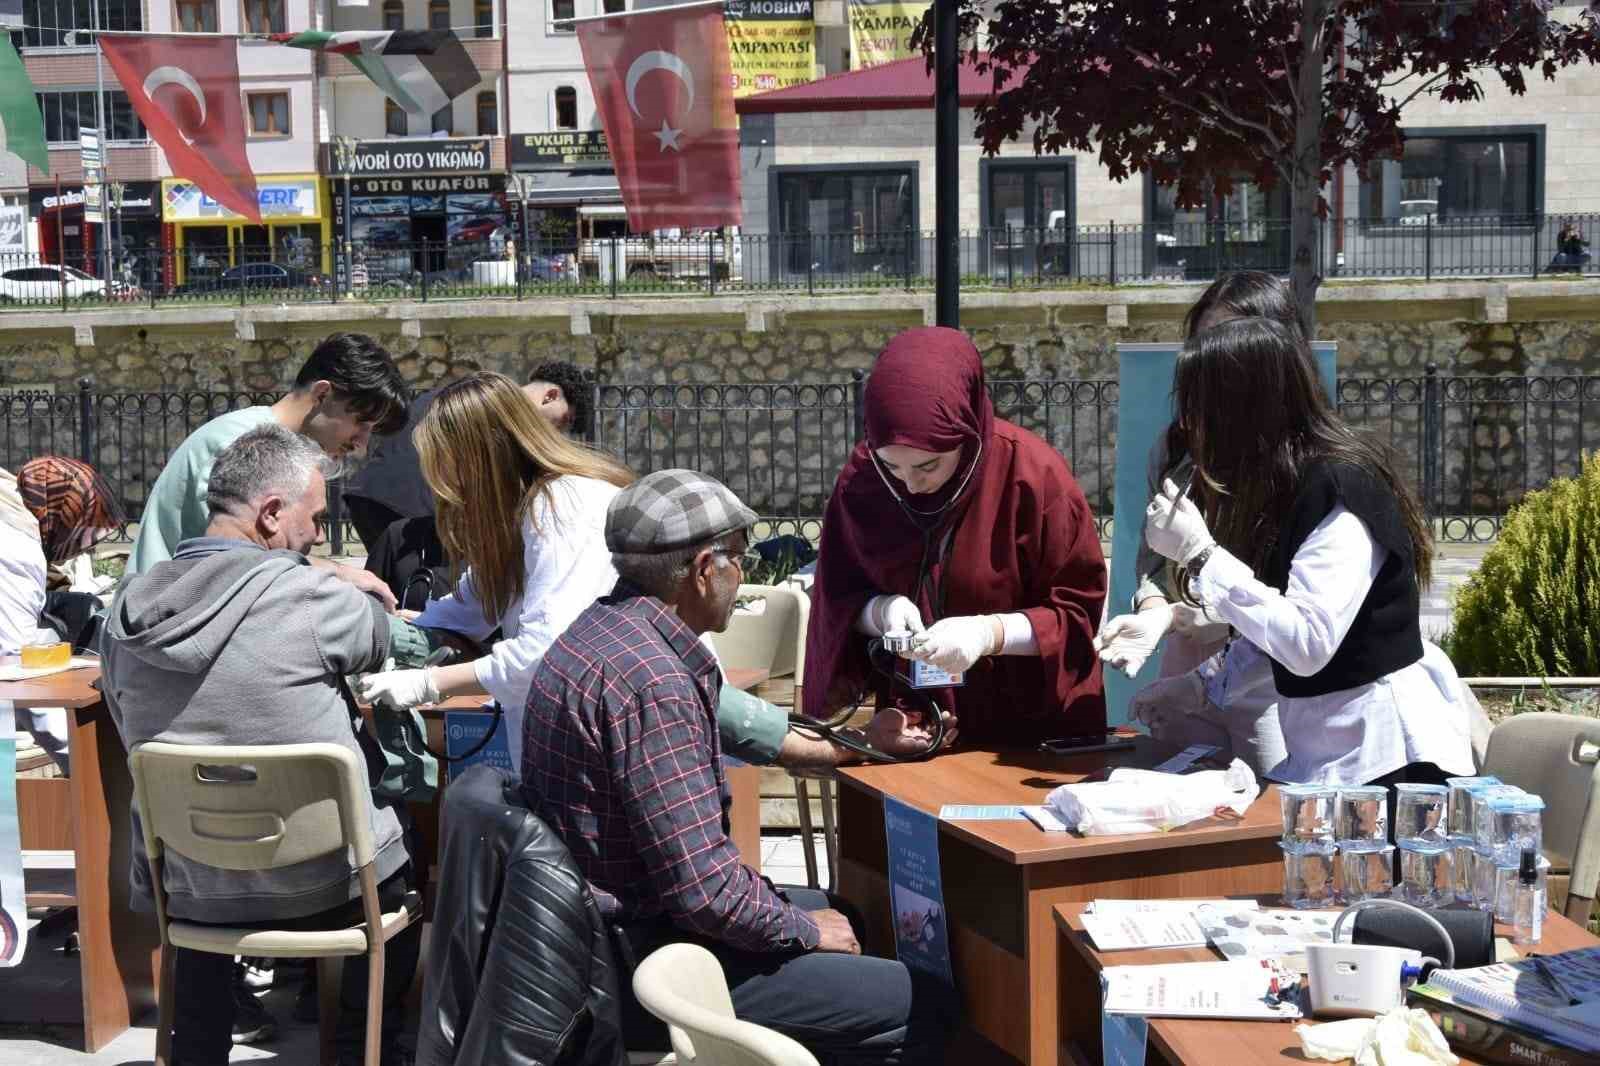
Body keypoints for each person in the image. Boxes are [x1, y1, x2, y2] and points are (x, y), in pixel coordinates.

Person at [522, 469, 955, 1062]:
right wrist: (805, 932)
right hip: (643, 960)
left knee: (849, 913)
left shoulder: (600, 634)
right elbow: (705, 894)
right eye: (738, 558)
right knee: (926, 1003)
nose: (742, 573)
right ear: (703, 570)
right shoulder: (655, 683)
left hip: (603, 930)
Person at [101, 425, 420, 1066]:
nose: (320, 537)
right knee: (413, 849)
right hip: (330, 888)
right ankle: (362, 1047)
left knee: (206, 876)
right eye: (317, 518)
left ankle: (196, 1052)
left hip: (191, 890)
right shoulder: (311, 597)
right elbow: (406, 646)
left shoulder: (125, 611)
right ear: (272, 514)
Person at [1143, 317, 1474, 787]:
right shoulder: (1282, 487)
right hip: (1323, 754)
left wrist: (1200, 554)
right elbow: (1269, 630)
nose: (1188, 424)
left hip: (1385, 758)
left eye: (1201, 406)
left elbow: (1308, 641)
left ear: (1243, 407)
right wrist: (1201, 687)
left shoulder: (1339, 485)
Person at [803, 326, 1107, 747]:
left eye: (927, 466)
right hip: (911, 729)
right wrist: (880, 612)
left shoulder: (1034, 478)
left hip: (1024, 738)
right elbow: (836, 598)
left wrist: (989, 634)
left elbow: (1075, 615)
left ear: (966, 433)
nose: (909, 484)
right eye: (893, 467)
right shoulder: (862, 483)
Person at [356, 371, 630, 768]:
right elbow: (465, 609)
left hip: (612, 749)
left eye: (442, 464)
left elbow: (548, 653)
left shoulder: (564, 507)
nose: (437, 483)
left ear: (480, 457)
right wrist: (384, 634)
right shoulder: (522, 514)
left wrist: (428, 683)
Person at [1095, 271, 1297, 775]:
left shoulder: (1304, 464)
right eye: (1205, 342)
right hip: (1187, 666)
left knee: (1260, 820)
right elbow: (1154, 559)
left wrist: (1217, 608)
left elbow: (1301, 618)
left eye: (1233, 344)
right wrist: (1154, 613)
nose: (1216, 362)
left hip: (1269, 679)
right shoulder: (1175, 445)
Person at [127, 332, 408, 605]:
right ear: (322, 395)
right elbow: (236, 558)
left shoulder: (274, 444)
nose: (362, 443)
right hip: (161, 623)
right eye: (361, 422)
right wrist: (341, 573)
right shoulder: (238, 443)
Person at [344, 359, 591, 555]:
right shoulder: (502, 414)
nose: (558, 431)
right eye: (564, 420)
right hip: (413, 512)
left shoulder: (459, 395)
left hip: (366, 496)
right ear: (551, 396)